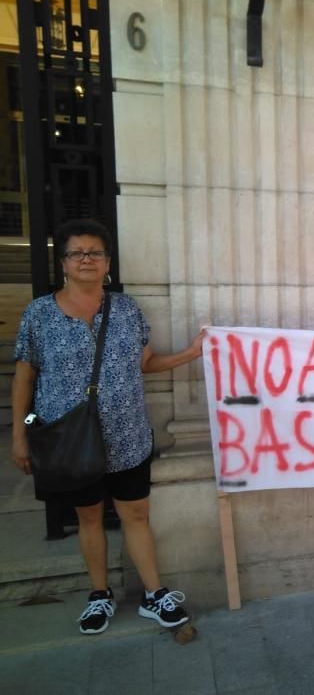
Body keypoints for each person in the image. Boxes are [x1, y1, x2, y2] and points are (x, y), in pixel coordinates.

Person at [11, 218, 205, 634]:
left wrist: (190, 354)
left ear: (107, 261)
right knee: (89, 517)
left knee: (136, 513)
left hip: (128, 435)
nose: (87, 259)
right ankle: (99, 595)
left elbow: (146, 363)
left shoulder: (126, 308)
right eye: (77, 252)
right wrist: (19, 434)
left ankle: (154, 594)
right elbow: (24, 375)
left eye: (95, 252)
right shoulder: (39, 314)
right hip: (69, 439)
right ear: (62, 262)